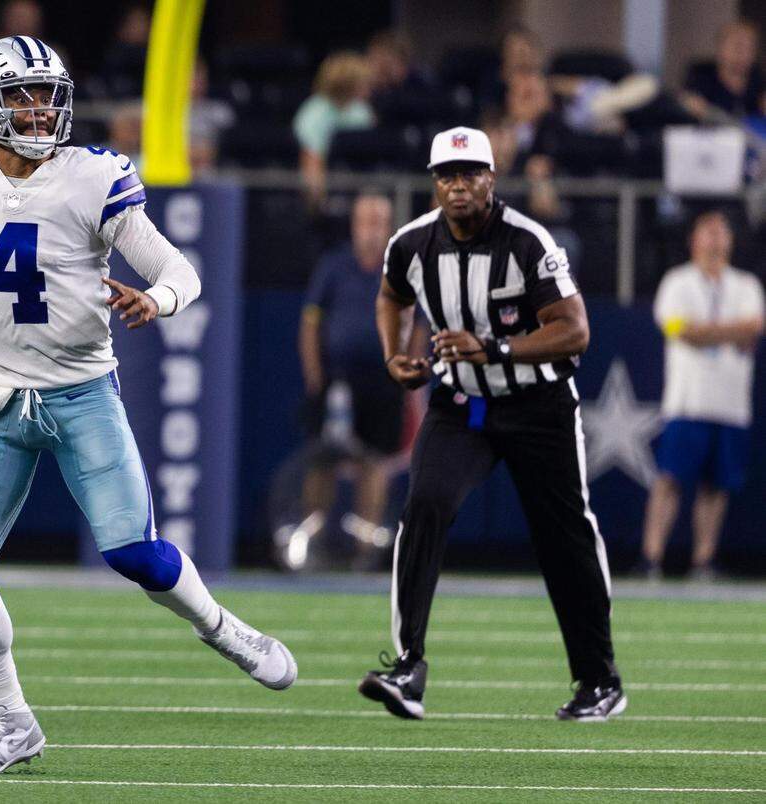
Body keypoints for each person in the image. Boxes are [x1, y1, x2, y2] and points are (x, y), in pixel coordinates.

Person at [0, 35, 296, 775]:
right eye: (21, 95)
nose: (40, 108)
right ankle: (9, 722)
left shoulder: (94, 175)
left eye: (48, 93)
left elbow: (177, 266)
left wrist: (161, 297)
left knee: (133, 554)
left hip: (81, 394)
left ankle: (219, 626)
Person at [358, 126, 624, 722]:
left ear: (491, 179)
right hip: (464, 405)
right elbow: (391, 296)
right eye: (447, 176)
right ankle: (408, 665)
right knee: (424, 504)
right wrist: (395, 352)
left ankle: (599, 678)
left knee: (566, 539)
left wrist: (494, 348)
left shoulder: (528, 242)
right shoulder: (411, 243)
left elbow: (575, 330)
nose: (458, 187)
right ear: (434, 183)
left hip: (539, 405)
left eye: (470, 174)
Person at [640, 211, 764, 581]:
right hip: (687, 401)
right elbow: (677, 328)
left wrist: (704, 331)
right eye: (708, 231)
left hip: (730, 404)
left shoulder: (746, 285)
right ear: (694, 239)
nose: (715, 239)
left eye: (721, 231)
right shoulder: (677, 282)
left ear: (731, 240)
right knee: (670, 480)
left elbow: (753, 327)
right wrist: (727, 332)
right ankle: (651, 557)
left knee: (717, 487)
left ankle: (703, 559)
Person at [293, 193, 407, 562]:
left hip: (382, 380)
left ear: (388, 227)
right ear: (355, 226)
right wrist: (315, 377)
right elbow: (311, 324)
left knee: (374, 462)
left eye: (379, 222)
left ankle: (366, 548)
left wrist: (406, 370)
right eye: (366, 221)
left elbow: (416, 324)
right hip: (336, 379)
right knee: (322, 461)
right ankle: (313, 542)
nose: (372, 230)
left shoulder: (400, 268)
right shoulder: (334, 265)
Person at [292, 51, 374, 209]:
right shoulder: (314, 113)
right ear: (348, 83)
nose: (368, 87)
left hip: (359, 187)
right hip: (328, 191)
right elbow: (312, 160)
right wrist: (319, 206)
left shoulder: (362, 111)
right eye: (363, 82)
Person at [682, 19, 766, 120]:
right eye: (738, 48)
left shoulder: (759, 79)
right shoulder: (700, 75)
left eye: (750, 49)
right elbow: (691, 107)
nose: (745, 55)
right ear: (721, 48)